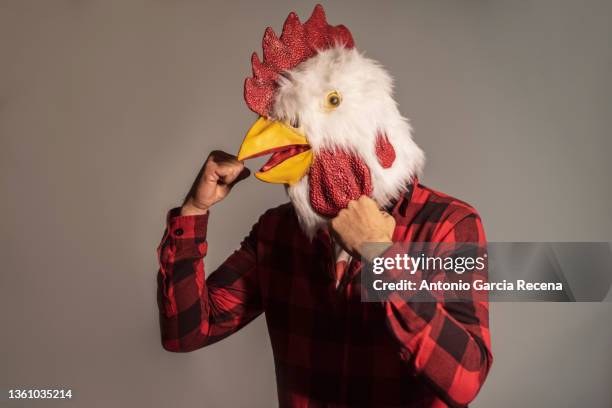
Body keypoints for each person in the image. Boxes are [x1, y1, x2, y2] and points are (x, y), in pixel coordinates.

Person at [156, 5, 492, 407]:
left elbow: (464, 380)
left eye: (329, 102)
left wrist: (382, 258)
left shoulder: (447, 227)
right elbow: (186, 331)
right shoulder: (278, 233)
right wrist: (195, 209)